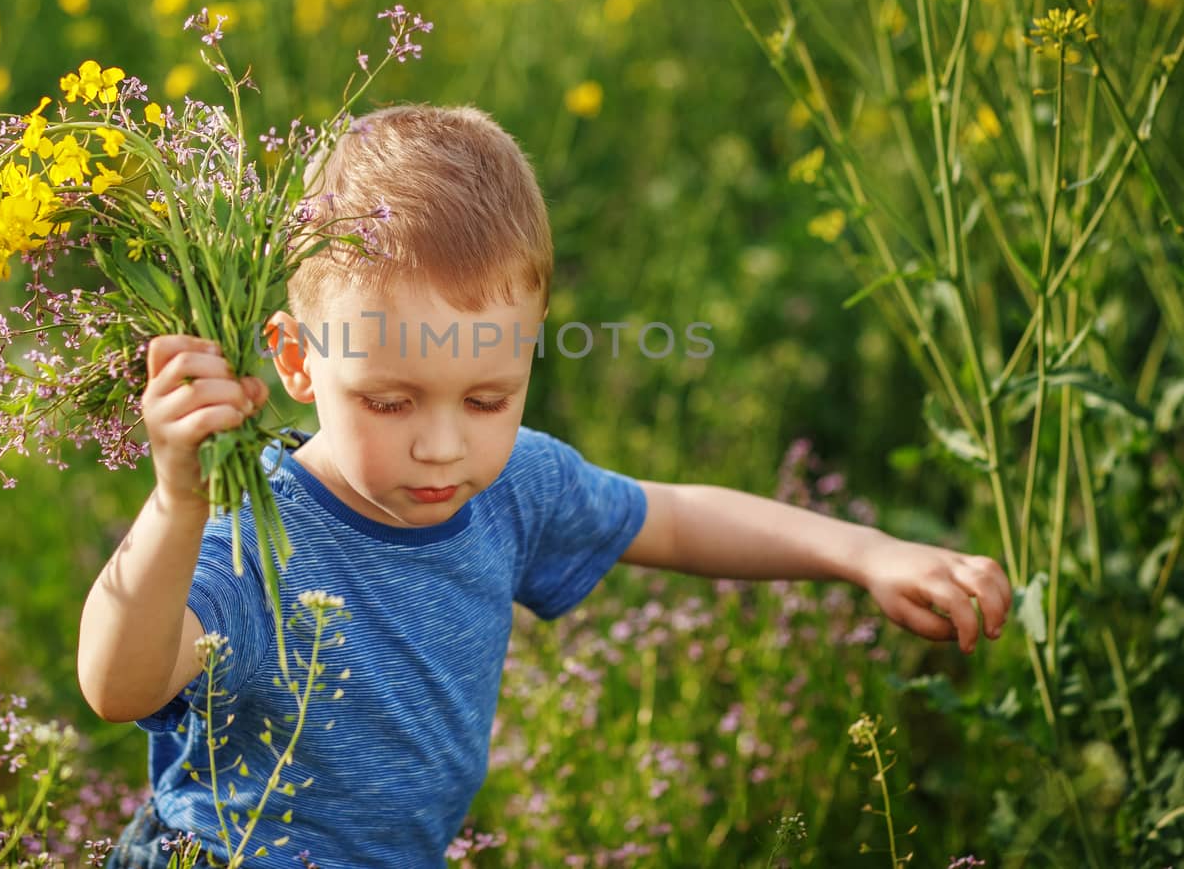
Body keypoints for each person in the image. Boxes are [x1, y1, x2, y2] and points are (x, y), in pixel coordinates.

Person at [78, 105, 1012, 868]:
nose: (443, 448)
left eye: (488, 396)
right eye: (391, 401)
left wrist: (867, 553)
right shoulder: (259, 533)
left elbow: (674, 517)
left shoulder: (513, 482)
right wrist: (176, 503)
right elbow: (118, 684)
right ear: (295, 357)